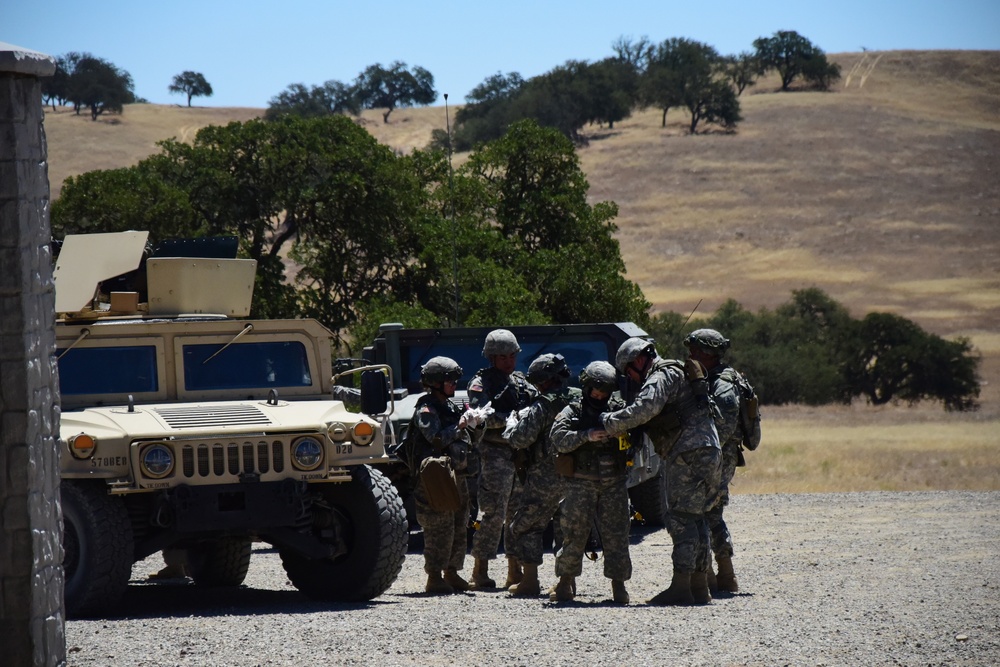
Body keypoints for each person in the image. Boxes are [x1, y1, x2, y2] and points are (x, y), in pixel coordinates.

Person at [599, 337, 722, 605]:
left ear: (639, 360)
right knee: (697, 518)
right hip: (709, 450)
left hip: (686, 453)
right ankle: (699, 587)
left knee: (680, 518)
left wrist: (608, 422)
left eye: (629, 371)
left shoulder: (661, 375)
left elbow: (645, 409)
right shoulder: (678, 370)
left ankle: (681, 586)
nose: (629, 378)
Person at [549, 361, 632, 604]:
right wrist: (586, 436)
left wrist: (621, 432)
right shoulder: (573, 411)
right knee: (573, 533)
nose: (599, 395)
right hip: (580, 483)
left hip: (613, 483)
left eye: (604, 391)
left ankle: (619, 586)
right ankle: (565, 583)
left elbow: (635, 437)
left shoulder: (619, 409)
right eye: (595, 390)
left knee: (617, 534)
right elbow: (558, 438)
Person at [685, 328, 761, 594]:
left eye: (694, 352)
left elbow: (724, 425)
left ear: (706, 354)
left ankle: (710, 576)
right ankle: (723, 576)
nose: (690, 356)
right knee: (711, 513)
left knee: (701, 513)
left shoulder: (724, 384)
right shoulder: (716, 378)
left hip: (718, 456)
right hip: (716, 455)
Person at [504, 353, 579, 597]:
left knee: (527, 525)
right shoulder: (580, 398)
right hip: (578, 474)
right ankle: (566, 583)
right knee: (567, 528)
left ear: (545, 380)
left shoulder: (543, 404)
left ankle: (530, 581)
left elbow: (520, 438)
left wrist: (511, 427)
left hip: (545, 477)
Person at [467, 329, 537, 590]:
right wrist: (511, 418)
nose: (509, 361)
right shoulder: (480, 384)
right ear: (491, 358)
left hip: (518, 452)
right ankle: (480, 570)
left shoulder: (520, 381)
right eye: (503, 357)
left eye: (512, 355)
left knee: (517, 513)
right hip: (494, 453)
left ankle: (514, 570)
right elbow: (480, 415)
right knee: (493, 512)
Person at [407, 356, 479, 594]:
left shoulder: (450, 406)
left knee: (460, 523)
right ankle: (434, 576)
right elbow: (435, 438)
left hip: (456, 474)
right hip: (436, 476)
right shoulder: (425, 409)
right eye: (449, 380)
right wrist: (458, 427)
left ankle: (452, 571)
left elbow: (466, 439)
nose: (453, 384)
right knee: (439, 526)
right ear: (435, 382)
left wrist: (475, 423)